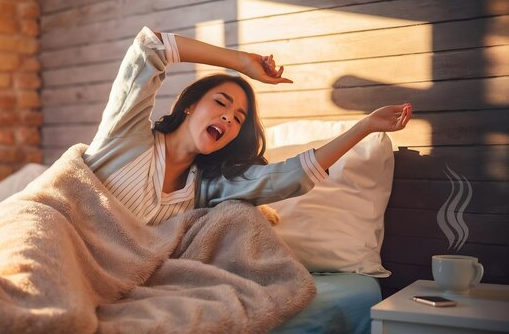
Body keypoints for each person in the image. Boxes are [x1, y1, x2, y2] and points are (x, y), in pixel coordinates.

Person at [83, 27, 412, 225]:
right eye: (221, 103)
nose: (229, 117)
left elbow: (285, 178)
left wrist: (365, 127)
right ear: (188, 105)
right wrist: (241, 62)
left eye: (239, 118)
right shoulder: (126, 135)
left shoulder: (207, 188)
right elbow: (150, 48)